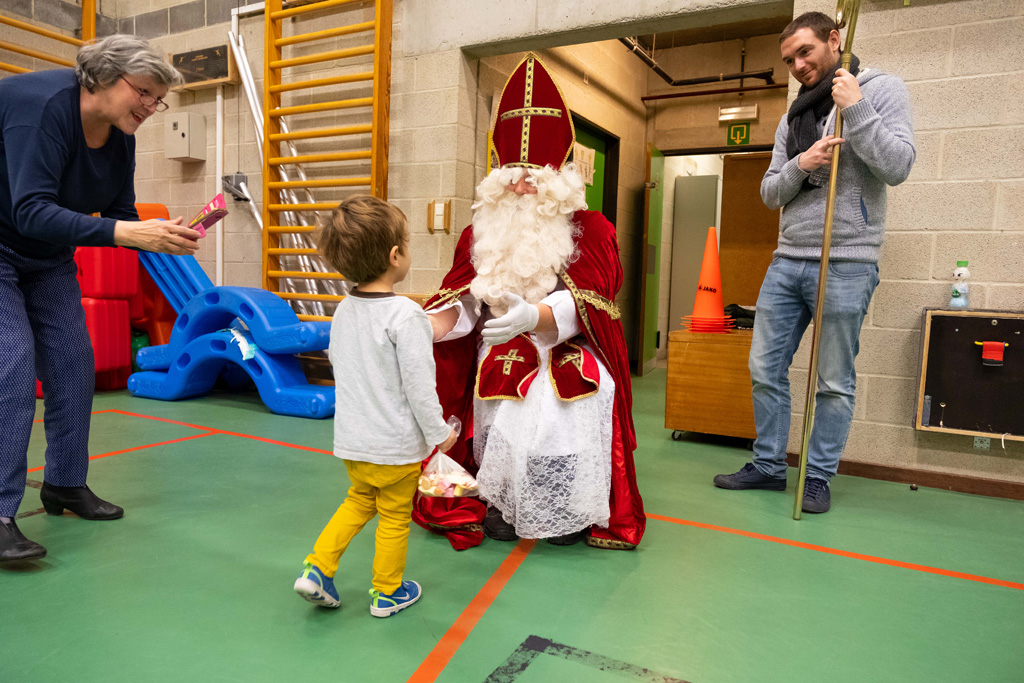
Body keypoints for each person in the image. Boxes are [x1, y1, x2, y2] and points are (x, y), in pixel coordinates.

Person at [413, 54, 645, 550]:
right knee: (500, 381)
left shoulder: (592, 229)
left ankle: (566, 507)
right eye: (512, 177)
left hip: (565, 343)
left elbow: (593, 307)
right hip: (500, 343)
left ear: (558, 179)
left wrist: (534, 316)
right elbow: (465, 301)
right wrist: (430, 325)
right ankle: (500, 498)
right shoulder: (480, 232)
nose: (521, 188)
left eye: (533, 176)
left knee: (565, 396)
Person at [0, 35, 201, 564]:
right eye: (144, 92)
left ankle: (65, 484)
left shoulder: (119, 136)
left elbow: (120, 214)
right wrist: (126, 233)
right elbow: (30, 210)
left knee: (73, 362)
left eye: (159, 99)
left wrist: (162, 235)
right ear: (102, 77)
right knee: (12, 364)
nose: (151, 107)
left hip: (46, 255)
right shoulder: (41, 108)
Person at [713, 12, 915, 513]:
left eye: (805, 52)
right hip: (787, 260)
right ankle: (768, 466)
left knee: (832, 379)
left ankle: (818, 476)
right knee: (764, 367)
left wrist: (857, 108)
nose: (798, 65)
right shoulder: (792, 117)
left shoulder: (880, 90)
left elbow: (898, 167)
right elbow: (769, 193)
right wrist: (801, 165)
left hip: (846, 261)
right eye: (789, 60)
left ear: (834, 39)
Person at [293, 196, 456, 617]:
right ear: (395, 255)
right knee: (395, 516)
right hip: (394, 449)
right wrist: (441, 434)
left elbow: (341, 364)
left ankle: (317, 568)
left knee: (358, 501)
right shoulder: (406, 314)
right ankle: (387, 592)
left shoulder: (343, 311)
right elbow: (420, 387)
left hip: (354, 443)